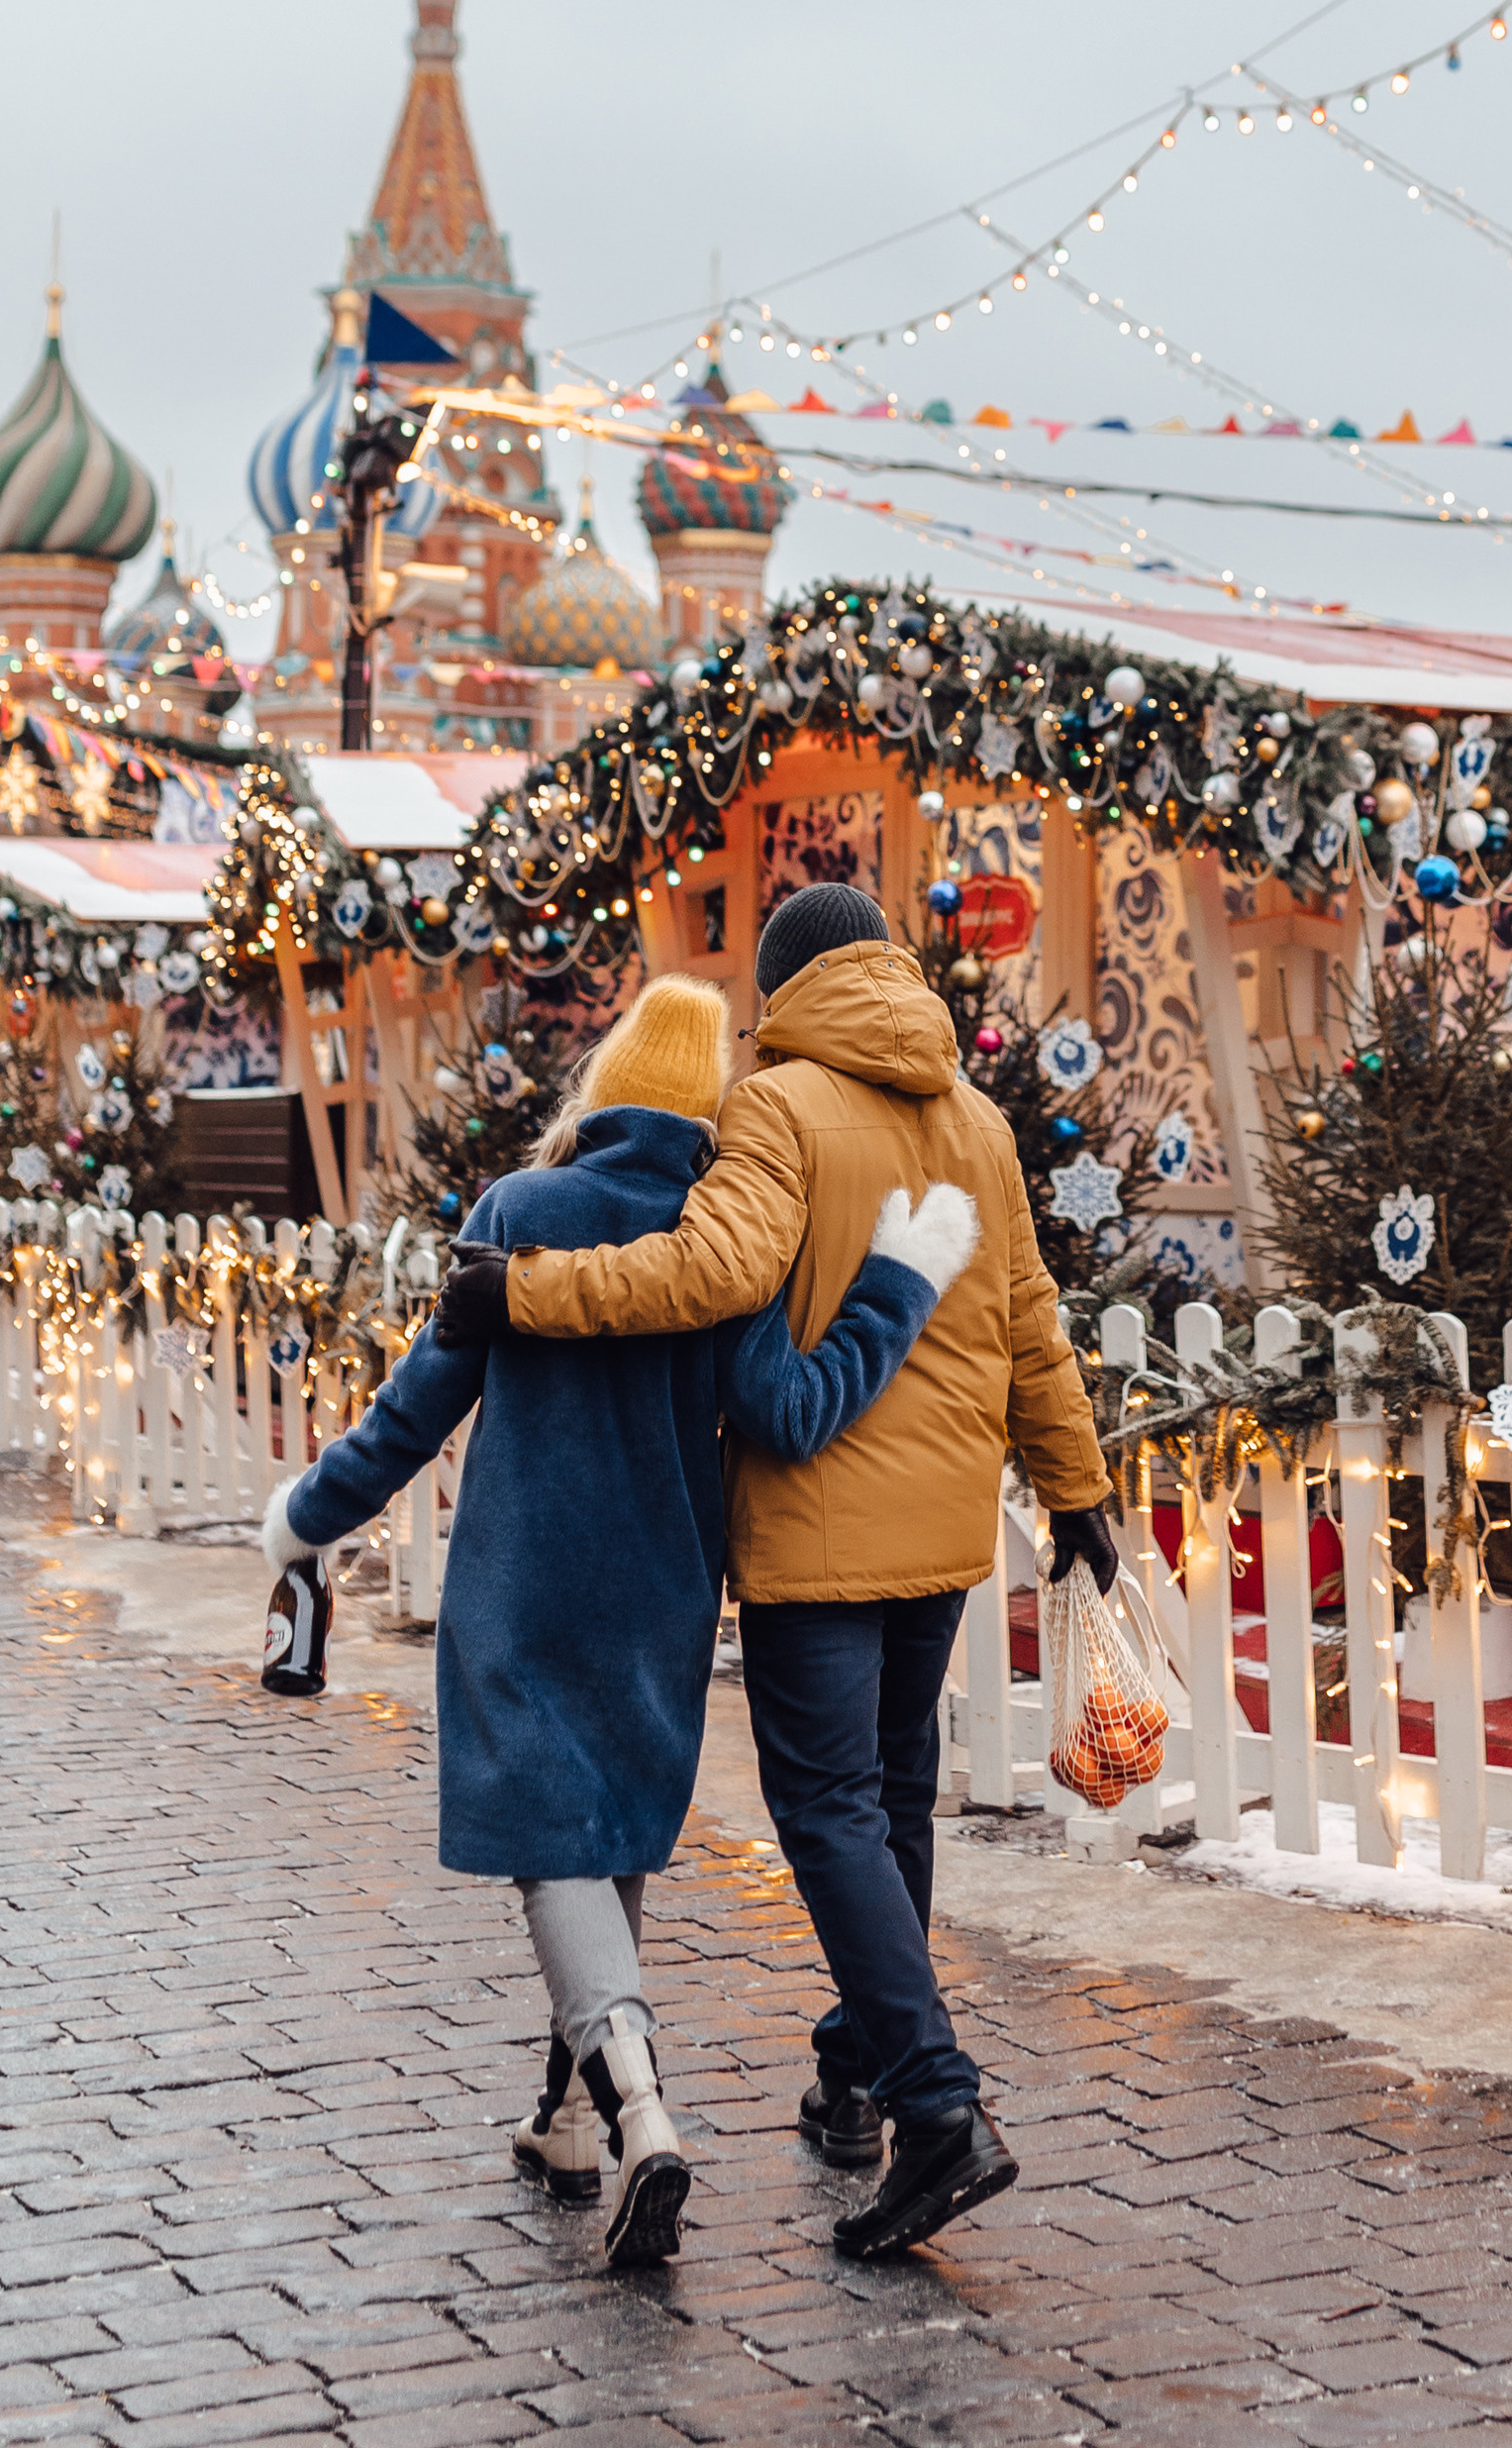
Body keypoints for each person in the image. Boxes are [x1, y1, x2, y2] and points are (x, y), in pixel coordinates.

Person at [436, 883, 1119, 2262]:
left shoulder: (778, 1107)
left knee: (829, 1813)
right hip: (942, 1530)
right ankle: (858, 2071)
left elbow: (704, 1271)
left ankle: (936, 2109)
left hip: (818, 1526)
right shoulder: (979, 1124)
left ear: (786, 984)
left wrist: (523, 1291)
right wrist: (1077, 1485)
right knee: (893, 1805)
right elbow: (1033, 1327)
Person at [262, 972, 979, 2270]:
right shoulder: (724, 1238)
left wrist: (308, 1514)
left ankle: (641, 2116)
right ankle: (566, 2121)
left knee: (555, 1850)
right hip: (662, 1590)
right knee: (606, 1845)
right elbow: (796, 1412)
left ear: (601, 1089)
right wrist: (897, 1283)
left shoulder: (520, 1212)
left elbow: (416, 1407)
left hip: (525, 1589)